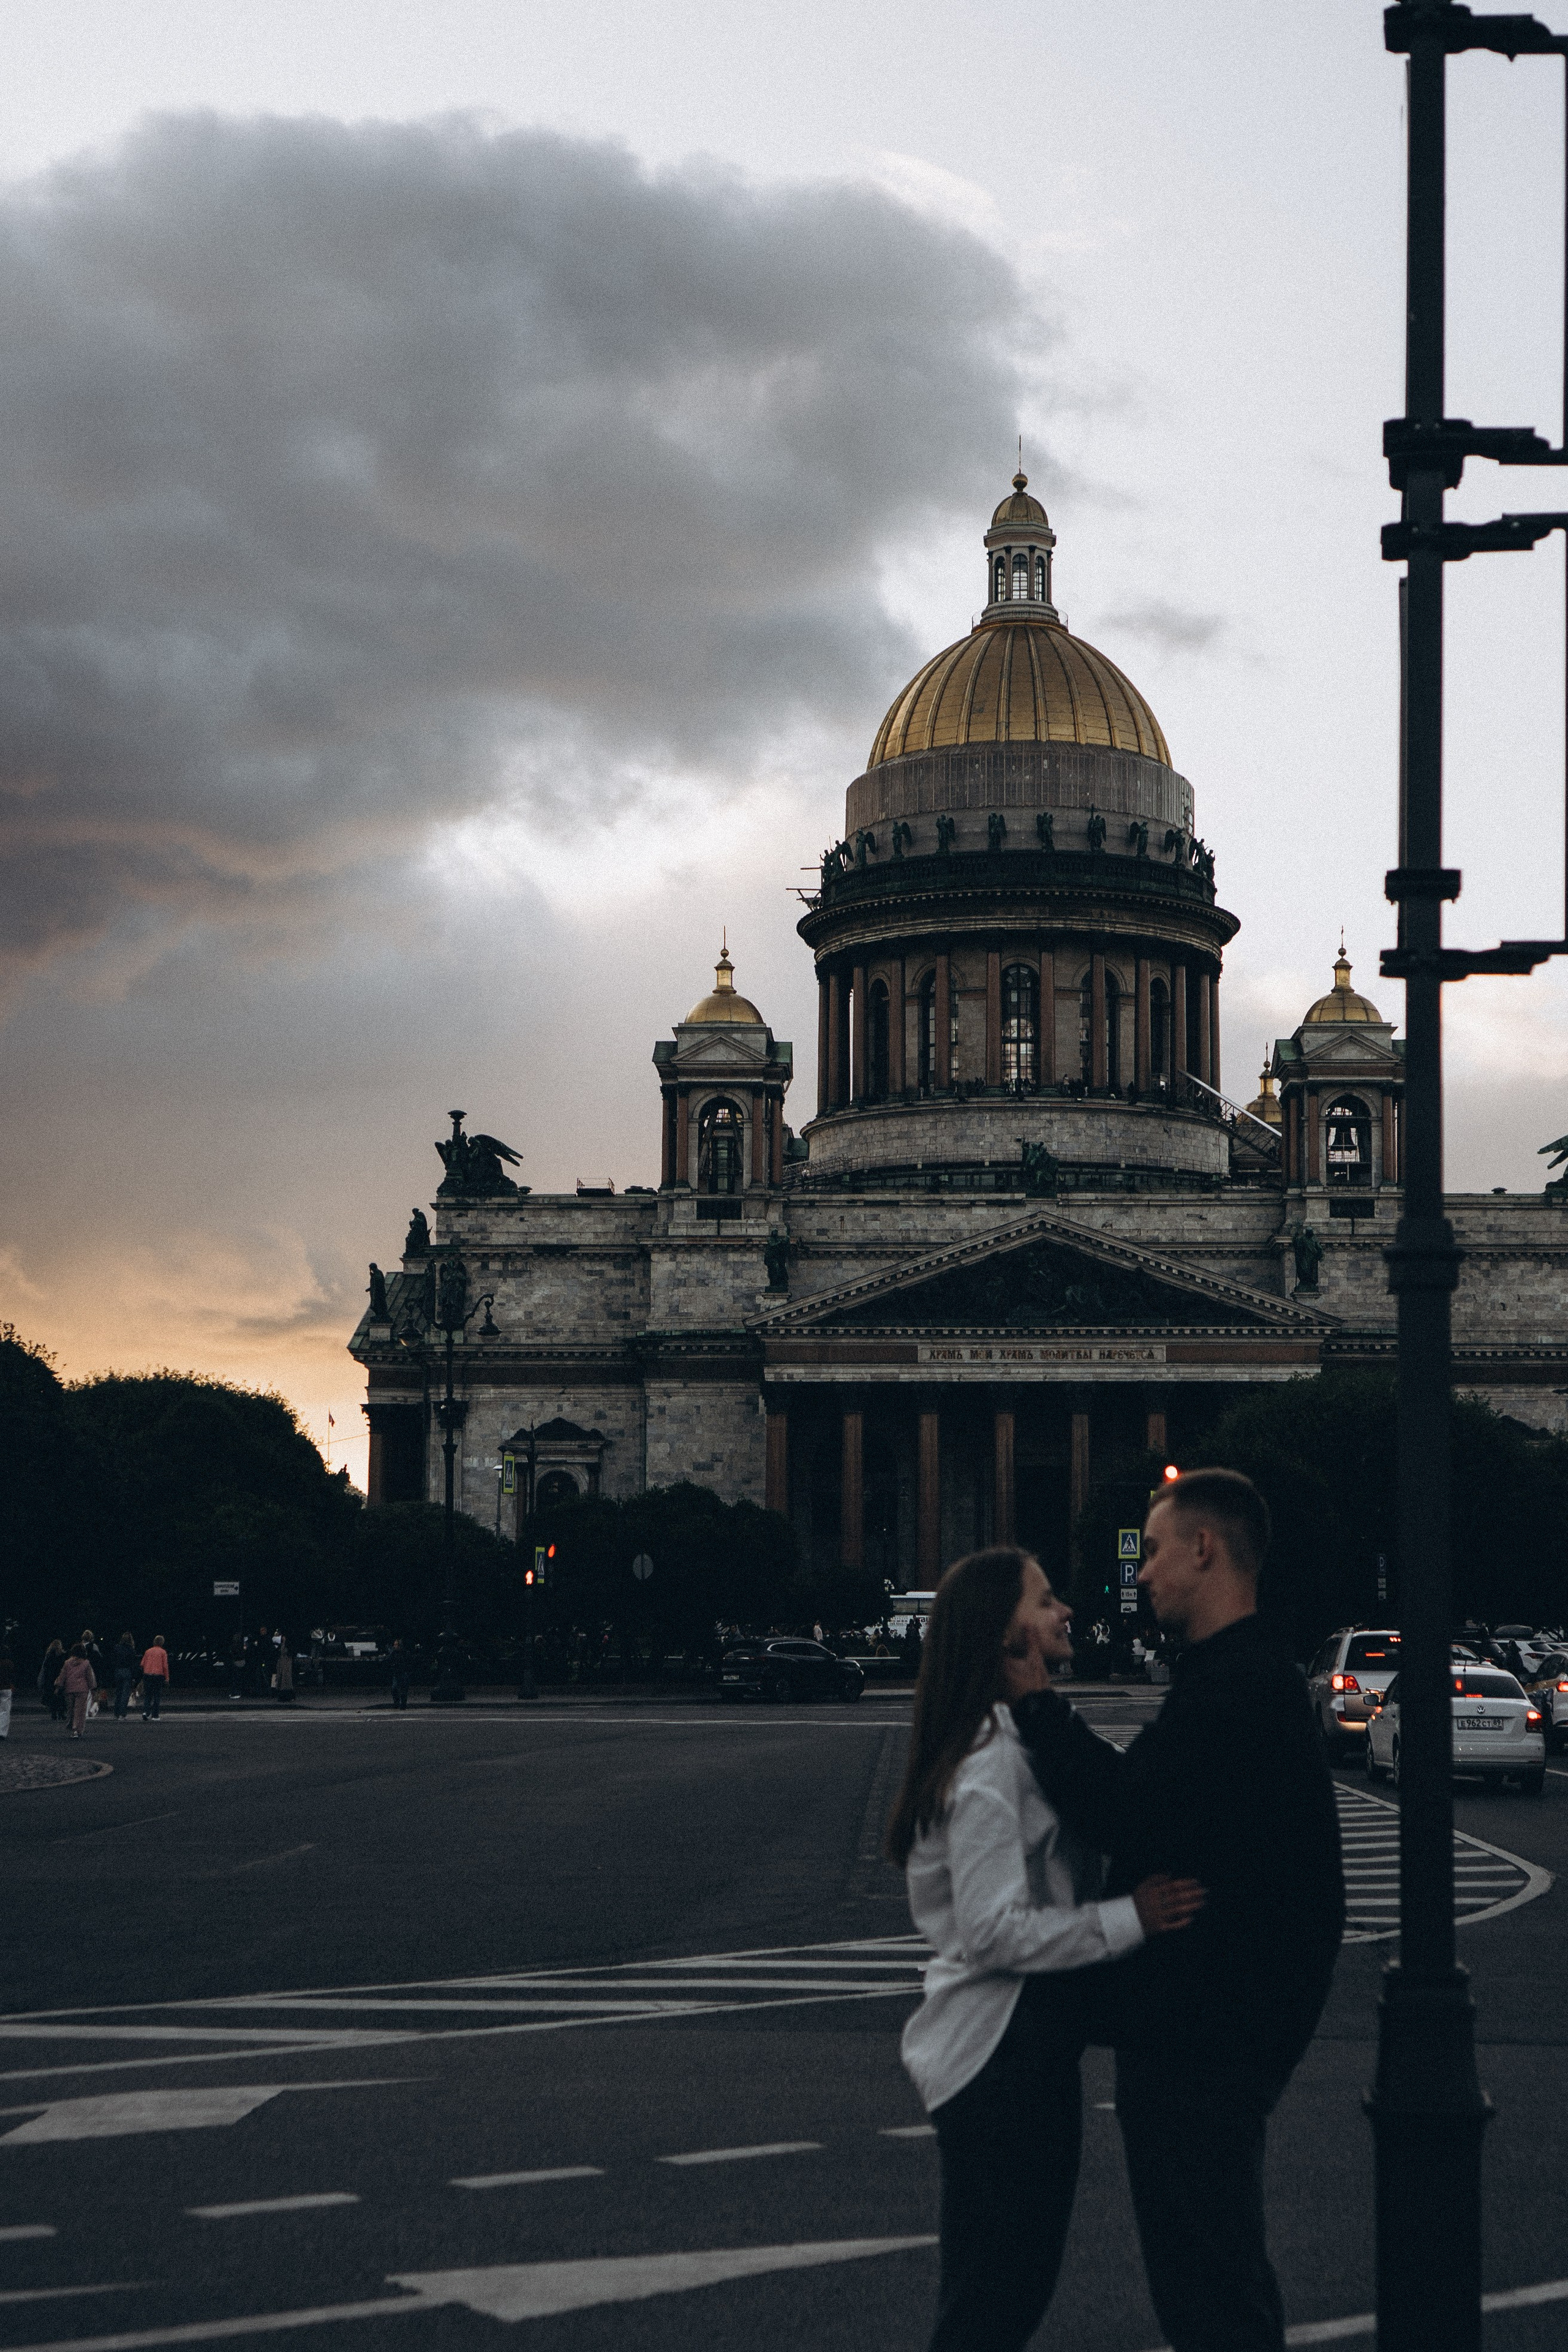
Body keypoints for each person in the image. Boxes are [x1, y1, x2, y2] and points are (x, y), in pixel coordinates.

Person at [1012, 1468, 1346, 2352]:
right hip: (1217, 2032)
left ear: (1204, 1549)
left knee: (1210, 2292)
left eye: (1154, 1550)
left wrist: (1037, 1709)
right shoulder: (1242, 1675)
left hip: (1204, 2041)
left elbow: (1127, 1808)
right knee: (1212, 2280)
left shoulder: (1237, 1688)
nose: (1143, 1571)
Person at [885, 1546, 1205, 2352]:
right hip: (1000, 2056)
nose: (1065, 1612)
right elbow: (992, 1930)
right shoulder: (991, 1764)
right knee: (995, 2305)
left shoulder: (1007, 1741)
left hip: (1012, 2053)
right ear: (1006, 1634)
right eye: (1045, 1600)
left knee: (998, 2300)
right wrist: (1129, 1919)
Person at [55, 1641, 97, 1738]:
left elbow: (62, 1676)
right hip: (82, 1690)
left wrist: (58, 1686)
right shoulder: (86, 1663)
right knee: (80, 1710)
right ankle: (77, 1729)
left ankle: (71, 1724)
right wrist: (93, 1689)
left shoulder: (67, 1663)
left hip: (69, 1689)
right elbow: (90, 1678)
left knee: (71, 1710)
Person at [140, 1634, 170, 1721]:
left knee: (148, 1695)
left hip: (147, 1675)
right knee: (157, 1695)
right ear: (162, 1643)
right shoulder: (163, 1652)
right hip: (158, 1676)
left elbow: (142, 1664)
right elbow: (165, 1666)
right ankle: (155, 1715)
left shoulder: (148, 1651)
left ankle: (146, 1712)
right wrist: (167, 1678)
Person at [113, 1632, 138, 1721]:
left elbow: (114, 1660)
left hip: (118, 1670)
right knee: (125, 1694)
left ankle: (116, 1713)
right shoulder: (131, 1650)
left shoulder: (117, 1648)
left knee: (118, 1693)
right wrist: (134, 1676)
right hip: (127, 1671)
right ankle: (122, 1714)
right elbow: (133, 1664)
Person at [39, 1639, 66, 1721]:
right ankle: (61, 1713)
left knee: (52, 1697)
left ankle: (54, 1714)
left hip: (50, 1679)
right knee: (61, 1696)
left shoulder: (49, 1655)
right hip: (60, 1677)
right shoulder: (63, 1655)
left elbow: (45, 1668)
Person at [388, 1639, 410, 1709]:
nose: (395, 1646)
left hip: (403, 1673)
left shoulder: (404, 1653)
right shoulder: (394, 1653)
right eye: (394, 1645)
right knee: (394, 1689)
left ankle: (403, 1704)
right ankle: (397, 1703)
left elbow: (407, 1662)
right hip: (396, 1673)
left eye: (396, 1645)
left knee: (403, 1690)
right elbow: (390, 1661)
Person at [274, 1633, 295, 1703]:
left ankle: (287, 1695)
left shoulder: (288, 1646)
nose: (283, 1638)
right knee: (281, 1679)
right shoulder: (281, 1645)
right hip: (282, 1663)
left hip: (286, 1663)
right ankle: (282, 1695)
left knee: (286, 1679)